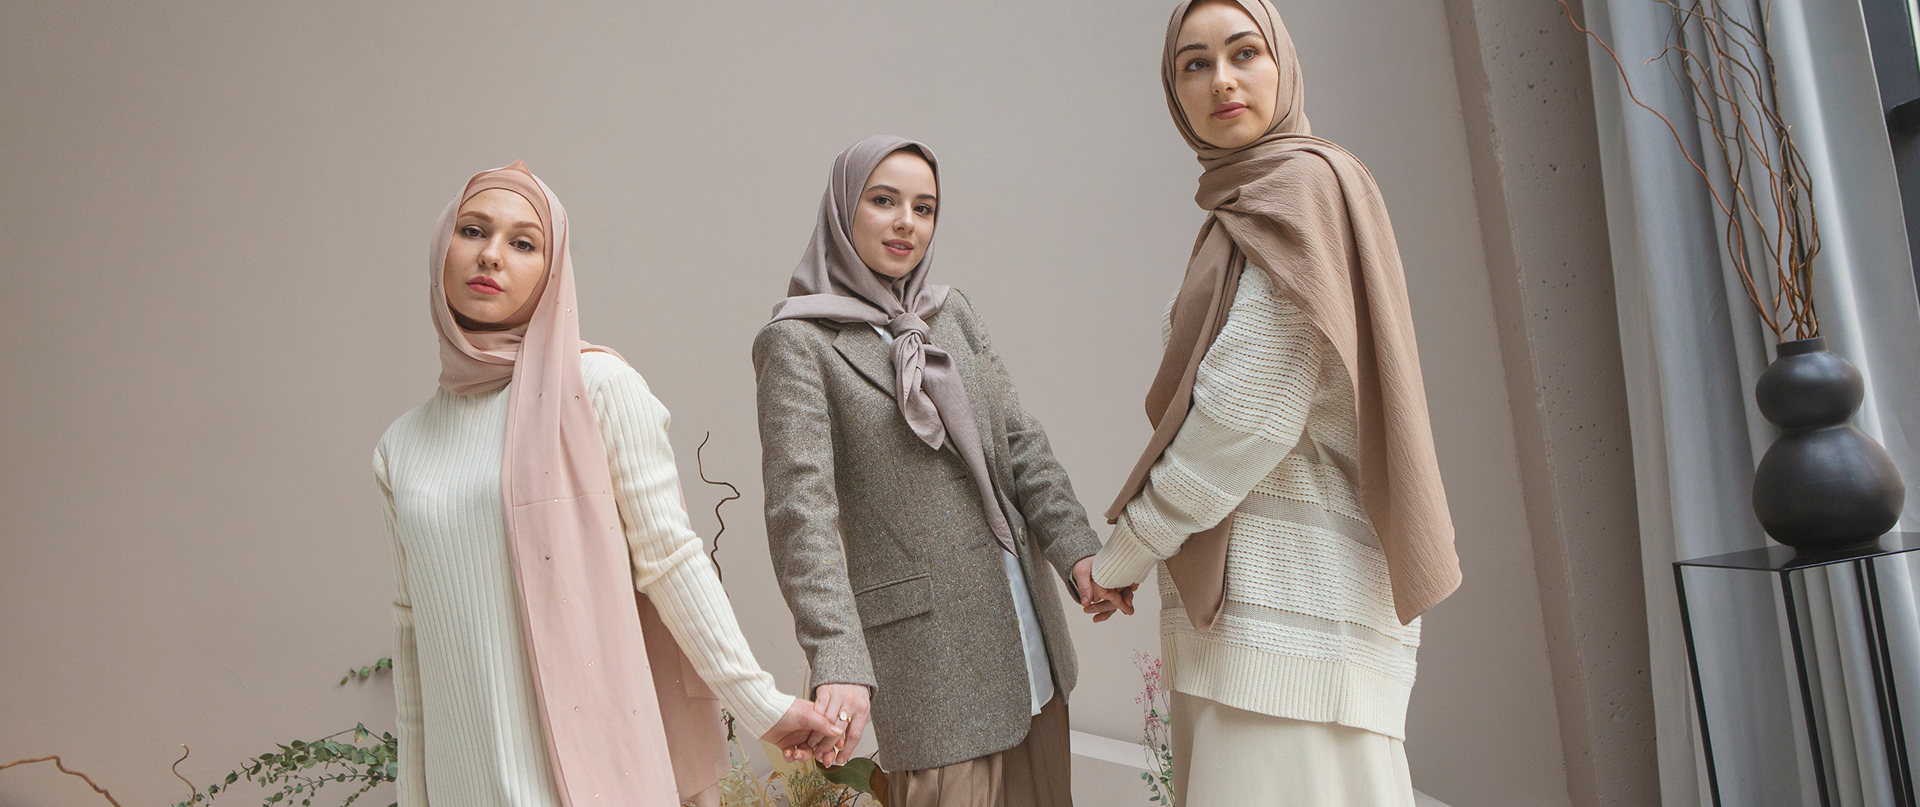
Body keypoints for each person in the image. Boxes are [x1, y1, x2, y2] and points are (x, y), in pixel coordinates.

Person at [1086, 2, 1464, 804]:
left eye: (1244, 53)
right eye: (1194, 64)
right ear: (1174, 92)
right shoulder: (1251, 204)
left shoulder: (1296, 193)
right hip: (1279, 630)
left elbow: (1242, 418)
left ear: (1283, 64)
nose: (1221, 80)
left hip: (1288, 628)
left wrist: (1124, 553)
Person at [374, 161, 838, 807]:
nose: (491, 255)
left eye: (523, 242)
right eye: (472, 230)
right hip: (464, 784)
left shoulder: (600, 390)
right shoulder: (401, 446)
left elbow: (670, 560)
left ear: (552, 271)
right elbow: (413, 635)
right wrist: (413, 793)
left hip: (589, 772)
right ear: (440, 248)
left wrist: (760, 702)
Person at [753, 136, 1125, 806]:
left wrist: (1077, 551)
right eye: (884, 200)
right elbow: (800, 517)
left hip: (1028, 638)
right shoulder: (798, 344)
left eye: (924, 208)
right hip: (930, 667)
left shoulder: (951, 312)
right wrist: (837, 656)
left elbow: (1020, 443)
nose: (907, 222)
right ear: (843, 208)